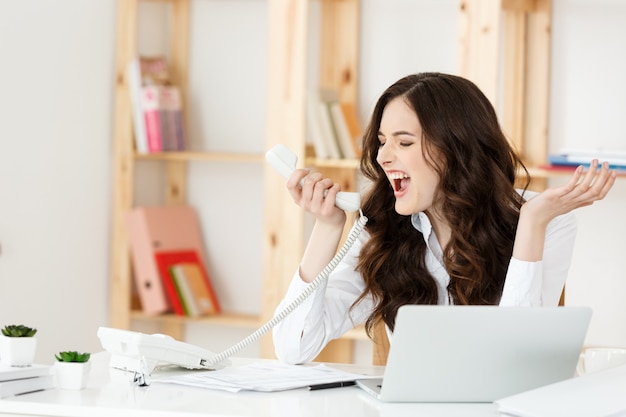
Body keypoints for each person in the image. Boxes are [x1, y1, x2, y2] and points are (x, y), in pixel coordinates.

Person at [272, 72, 616, 365]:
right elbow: (293, 348)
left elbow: (515, 359)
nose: (383, 157)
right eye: (381, 142)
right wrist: (327, 227)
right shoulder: (382, 230)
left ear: (457, 150)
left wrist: (530, 226)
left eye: (404, 143)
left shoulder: (544, 220)